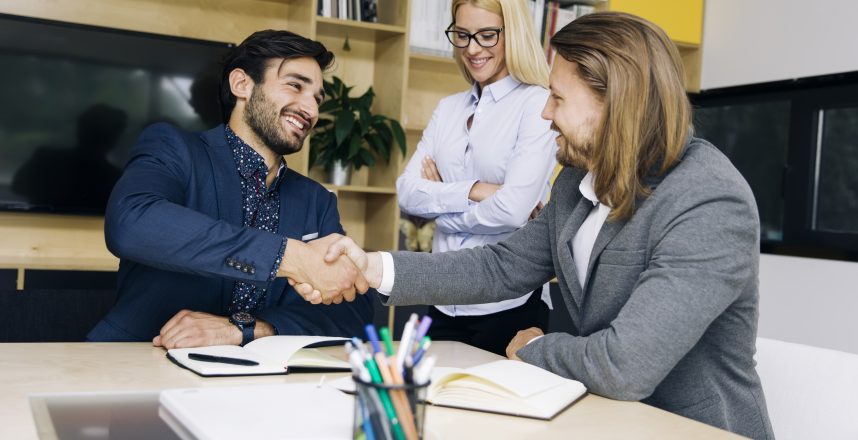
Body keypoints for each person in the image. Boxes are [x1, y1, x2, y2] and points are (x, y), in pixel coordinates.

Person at [305, 12, 775, 439]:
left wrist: (537, 347)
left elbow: (625, 366)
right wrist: (372, 267)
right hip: (599, 418)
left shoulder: (709, 200)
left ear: (616, 102)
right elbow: (502, 266)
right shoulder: (575, 180)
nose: (545, 113)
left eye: (557, 98)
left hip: (688, 429)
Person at [87, 30, 371, 348]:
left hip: (263, 375)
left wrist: (248, 329)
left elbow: (352, 313)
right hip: (142, 358)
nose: (312, 110)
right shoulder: (174, 147)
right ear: (241, 84)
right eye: (295, 85)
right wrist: (289, 256)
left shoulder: (316, 200)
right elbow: (131, 222)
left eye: (317, 99)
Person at [396, 0, 557, 355]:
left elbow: (513, 210)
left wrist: (441, 211)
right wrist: (478, 190)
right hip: (444, 297)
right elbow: (406, 192)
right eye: (463, 35)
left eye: (486, 35)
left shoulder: (537, 104)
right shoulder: (448, 109)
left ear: (513, 34)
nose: (472, 49)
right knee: (431, 390)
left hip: (508, 303)